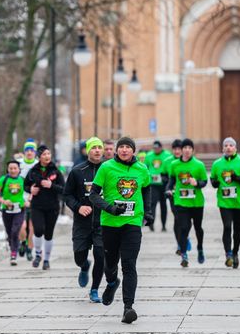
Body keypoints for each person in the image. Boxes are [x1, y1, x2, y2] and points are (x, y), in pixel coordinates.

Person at [89, 137, 153, 324]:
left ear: (133, 150)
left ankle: (128, 308)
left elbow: (147, 190)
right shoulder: (106, 167)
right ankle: (112, 282)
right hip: (110, 223)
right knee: (110, 264)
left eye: (128, 147)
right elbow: (93, 195)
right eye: (121, 147)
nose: (124, 150)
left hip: (132, 222)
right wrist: (110, 208)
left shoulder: (142, 169)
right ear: (117, 150)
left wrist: (148, 212)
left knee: (129, 264)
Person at [63, 137, 105, 303]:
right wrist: (78, 207)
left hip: (103, 222)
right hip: (82, 222)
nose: (97, 150)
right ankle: (84, 266)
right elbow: (67, 195)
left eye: (99, 147)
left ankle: (94, 289)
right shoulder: (77, 171)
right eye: (93, 148)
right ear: (88, 151)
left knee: (100, 256)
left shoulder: (109, 169)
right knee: (79, 256)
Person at [210, 137, 240, 268]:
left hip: (239, 202)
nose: (228, 147)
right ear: (222, 149)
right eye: (226, 145)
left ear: (235, 148)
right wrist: (214, 183)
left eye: (231, 145)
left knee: (237, 229)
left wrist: (237, 178)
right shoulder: (217, 164)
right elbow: (213, 179)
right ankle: (228, 255)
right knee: (226, 227)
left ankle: (235, 252)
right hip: (224, 202)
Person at [166, 138, 207, 268]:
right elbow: (171, 181)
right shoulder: (174, 164)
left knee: (198, 228)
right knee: (183, 228)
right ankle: (184, 255)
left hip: (196, 202)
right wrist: (168, 190)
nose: (187, 150)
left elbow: (204, 182)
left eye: (190, 148)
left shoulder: (199, 165)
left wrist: (197, 183)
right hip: (181, 201)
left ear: (193, 150)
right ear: (182, 150)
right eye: (185, 148)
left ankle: (200, 248)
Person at [24, 144, 65, 270]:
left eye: (48, 153)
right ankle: (38, 254)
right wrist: (31, 189)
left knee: (48, 233)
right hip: (37, 206)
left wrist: (51, 185)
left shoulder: (55, 171)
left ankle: (46, 260)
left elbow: (64, 189)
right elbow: (25, 185)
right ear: (39, 157)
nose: (47, 156)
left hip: (52, 207)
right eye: (44, 154)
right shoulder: (33, 171)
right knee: (38, 230)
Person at [161, 139, 191, 254]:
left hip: (187, 194)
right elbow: (163, 176)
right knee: (177, 218)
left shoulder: (188, 161)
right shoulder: (167, 161)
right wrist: (169, 184)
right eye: (175, 149)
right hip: (173, 194)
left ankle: (185, 237)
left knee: (186, 220)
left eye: (179, 149)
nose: (177, 151)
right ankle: (180, 244)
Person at [0, 160, 26, 265]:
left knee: (15, 231)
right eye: (10, 168)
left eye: (15, 168)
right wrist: (4, 201)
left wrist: (27, 201)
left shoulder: (22, 180)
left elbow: (30, 191)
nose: (13, 170)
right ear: (7, 169)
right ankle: (14, 246)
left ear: (19, 169)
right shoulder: (3, 179)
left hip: (19, 210)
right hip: (6, 210)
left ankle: (13, 254)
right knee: (9, 232)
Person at [18, 139, 38, 261]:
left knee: (32, 227)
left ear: (35, 152)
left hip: (35, 200)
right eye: (27, 150)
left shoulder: (38, 164)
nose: (29, 152)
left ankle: (30, 250)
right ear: (24, 152)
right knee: (21, 225)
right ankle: (23, 242)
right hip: (20, 199)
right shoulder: (19, 164)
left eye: (32, 150)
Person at [144, 141, 171, 231]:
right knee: (152, 204)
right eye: (154, 148)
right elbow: (145, 167)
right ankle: (151, 224)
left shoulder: (167, 155)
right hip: (153, 184)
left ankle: (163, 225)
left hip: (163, 183)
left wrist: (166, 177)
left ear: (161, 147)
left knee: (163, 204)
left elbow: (170, 168)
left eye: (157, 148)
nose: (156, 150)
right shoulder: (149, 155)